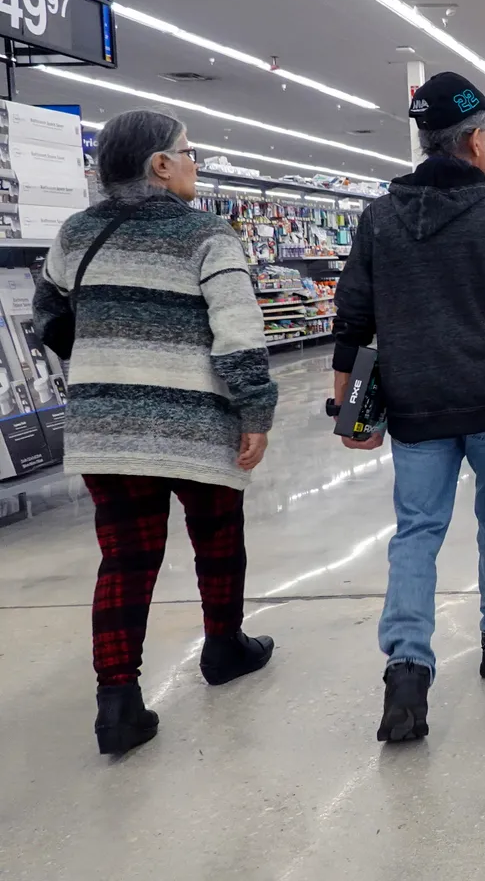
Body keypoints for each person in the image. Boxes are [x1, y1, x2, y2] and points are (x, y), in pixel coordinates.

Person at [33, 109, 278, 755]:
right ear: (159, 166)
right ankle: (223, 647)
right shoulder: (206, 235)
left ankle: (117, 701)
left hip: (106, 429)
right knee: (218, 539)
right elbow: (237, 334)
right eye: (188, 152)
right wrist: (254, 411)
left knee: (125, 558)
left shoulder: (75, 235)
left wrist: (104, 362)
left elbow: (49, 317)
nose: (195, 163)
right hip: (197, 422)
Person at [332, 72, 485, 743]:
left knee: (416, 534)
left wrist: (346, 409)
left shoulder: (378, 219)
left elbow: (352, 318)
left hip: (415, 410)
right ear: (472, 141)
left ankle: (406, 668)